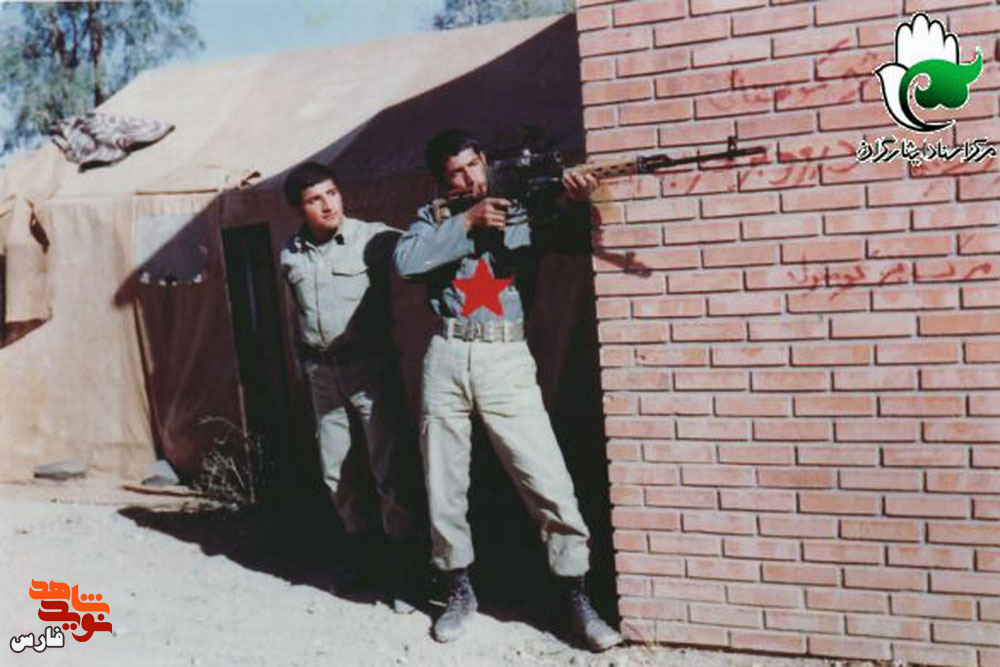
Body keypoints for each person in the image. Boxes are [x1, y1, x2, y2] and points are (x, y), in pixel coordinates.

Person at [394, 129, 622, 651]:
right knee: (443, 482)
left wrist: (575, 201)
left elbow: (569, 240)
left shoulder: (521, 212)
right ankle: (457, 589)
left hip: (506, 357)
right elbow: (406, 263)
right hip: (447, 353)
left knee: (546, 478)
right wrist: (466, 224)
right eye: (456, 172)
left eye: (474, 164)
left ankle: (576, 595)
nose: (469, 177)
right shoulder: (435, 219)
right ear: (442, 181)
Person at [280, 161, 418, 611]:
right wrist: (304, 365)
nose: (328, 205)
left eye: (333, 193)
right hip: (322, 375)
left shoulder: (372, 239)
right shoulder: (291, 253)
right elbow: (295, 315)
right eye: (315, 199)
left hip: (369, 370)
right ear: (299, 209)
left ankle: (406, 570)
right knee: (337, 473)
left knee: (389, 472)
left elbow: (422, 250)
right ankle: (363, 557)